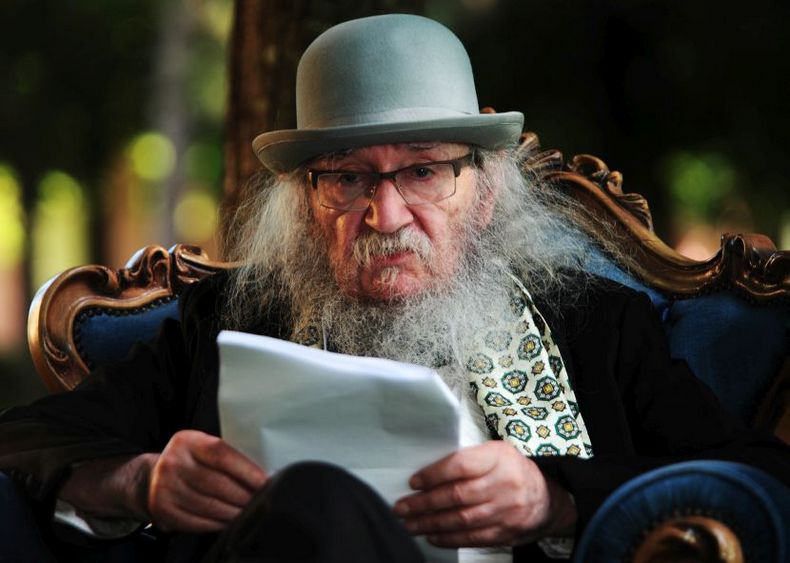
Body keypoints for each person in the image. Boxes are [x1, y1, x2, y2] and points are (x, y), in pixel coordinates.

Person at [0, 13, 788, 563]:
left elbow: (762, 474)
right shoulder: (227, 322)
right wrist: (142, 481)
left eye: (423, 171)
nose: (386, 214)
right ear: (306, 202)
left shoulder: (598, 326)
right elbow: (25, 439)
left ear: (483, 191)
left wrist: (555, 497)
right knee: (312, 501)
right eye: (347, 177)